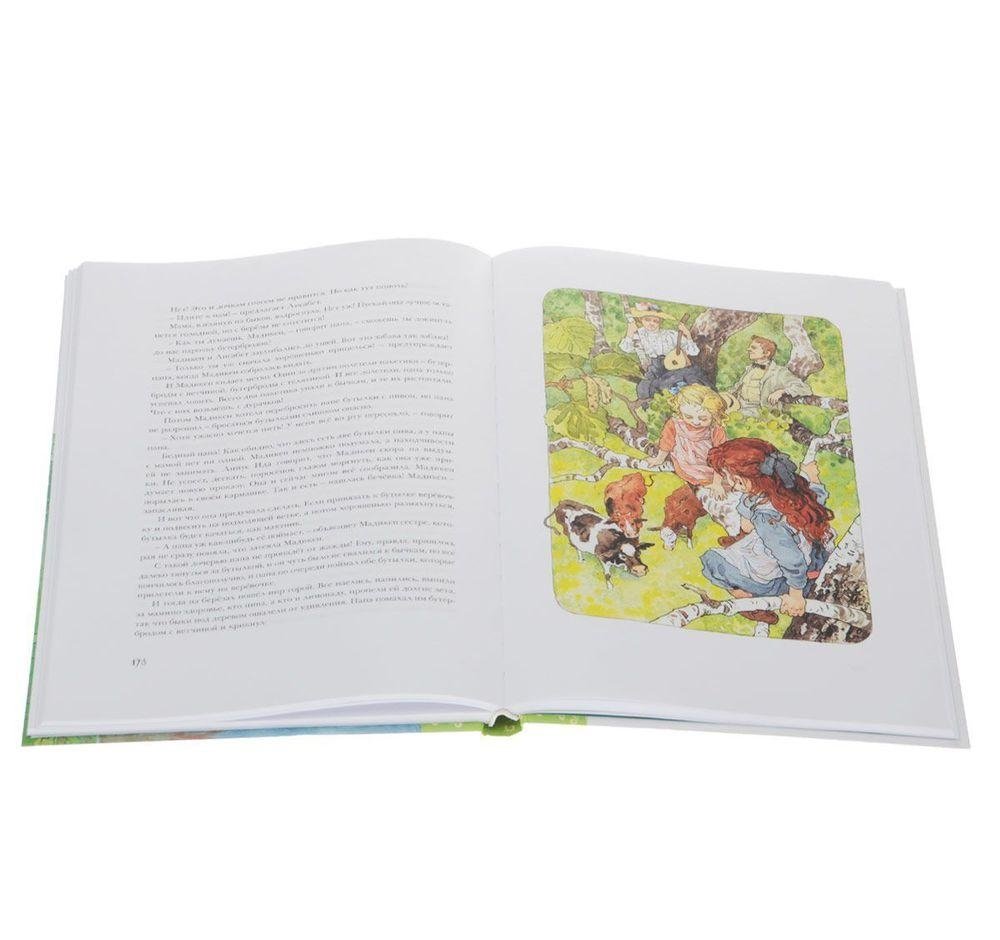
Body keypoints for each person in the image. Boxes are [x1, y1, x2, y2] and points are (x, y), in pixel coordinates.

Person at [699, 438, 835, 636]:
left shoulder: (767, 518)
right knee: (746, 538)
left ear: (759, 480)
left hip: (790, 575)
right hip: (814, 555)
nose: (733, 486)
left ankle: (752, 602)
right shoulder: (784, 488)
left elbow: (791, 558)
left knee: (714, 563)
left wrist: (795, 596)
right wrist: (813, 479)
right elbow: (815, 499)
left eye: (737, 481)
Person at [646, 385, 741, 541]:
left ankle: (736, 517)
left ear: (714, 415)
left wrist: (717, 482)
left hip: (711, 466)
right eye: (689, 417)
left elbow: (720, 457)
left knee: (729, 489)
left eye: (703, 418)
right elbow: (667, 442)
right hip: (687, 464)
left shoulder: (715, 429)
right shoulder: (675, 423)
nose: (695, 422)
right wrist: (659, 459)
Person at [619, 310, 710, 399]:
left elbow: (694, 351)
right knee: (644, 389)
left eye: (655, 321)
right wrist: (630, 333)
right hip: (654, 372)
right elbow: (625, 348)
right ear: (641, 320)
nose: (651, 323)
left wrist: (688, 334)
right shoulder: (638, 335)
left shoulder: (669, 335)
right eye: (647, 319)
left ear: (660, 322)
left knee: (684, 379)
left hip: (672, 369)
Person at [727, 335, 811, 415]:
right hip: (738, 406)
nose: (748, 349)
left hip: (761, 412)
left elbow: (804, 388)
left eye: (754, 348)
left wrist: (781, 392)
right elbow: (736, 388)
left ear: (766, 353)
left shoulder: (779, 372)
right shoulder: (750, 369)